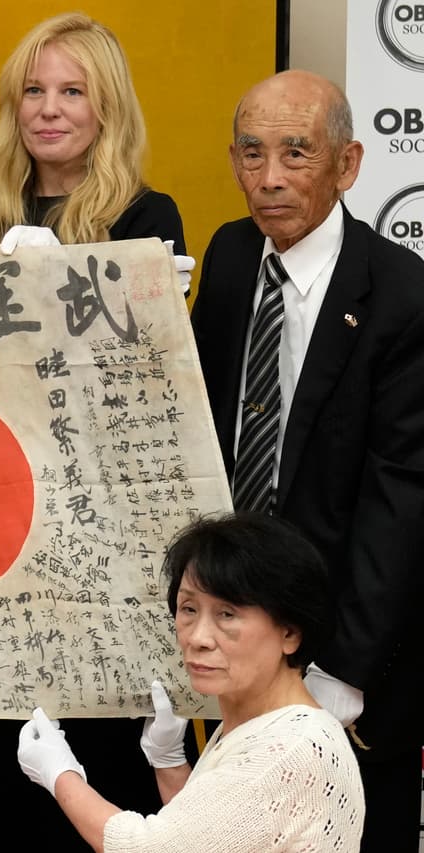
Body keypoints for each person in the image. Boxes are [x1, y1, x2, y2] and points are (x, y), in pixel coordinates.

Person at [0, 14, 190, 851]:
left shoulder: (148, 214)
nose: (49, 108)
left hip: (101, 543)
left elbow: (143, 389)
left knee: (91, 776)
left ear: (107, 108)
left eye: (72, 91)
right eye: (33, 90)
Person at [190, 69, 424, 852]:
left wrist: (340, 677)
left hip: (346, 663)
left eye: (296, 152)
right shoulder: (230, 256)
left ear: (348, 164)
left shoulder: (402, 294)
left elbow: (402, 501)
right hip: (234, 642)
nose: (270, 178)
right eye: (251, 153)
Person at [15, 513, 365, 851]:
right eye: (188, 609)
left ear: (290, 633)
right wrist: (168, 760)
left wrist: (60, 774)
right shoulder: (266, 725)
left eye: (227, 614)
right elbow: (206, 836)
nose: (198, 638)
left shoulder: (288, 749)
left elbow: (147, 849)